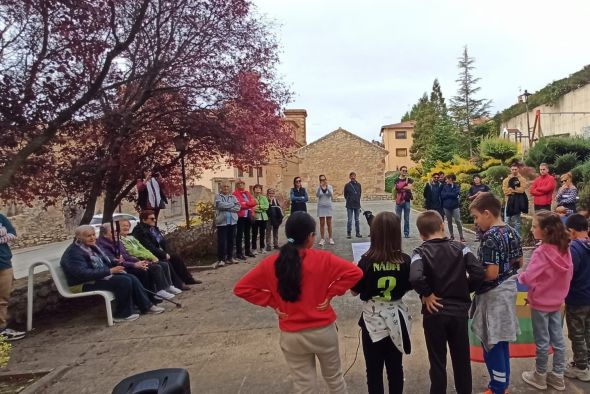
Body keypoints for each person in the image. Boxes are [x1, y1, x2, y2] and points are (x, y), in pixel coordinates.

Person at [234, 212, 362, 393]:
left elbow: (241, 288)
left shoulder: (271, 263)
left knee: (304, 386)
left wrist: (273, 303)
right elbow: (355, 273)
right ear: (310, 237)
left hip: (291, 334)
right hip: (323, 331)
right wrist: (331, 293)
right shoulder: (324, 259)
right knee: (335, 381)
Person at [410, 211, 484, 394]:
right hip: (458, 312)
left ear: (421, 234)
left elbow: (415, 277)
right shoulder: (461, 248)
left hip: (433, 313)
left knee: (437, 361)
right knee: (461, 360)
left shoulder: (419, 252)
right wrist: (466, 289)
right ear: (442, 226)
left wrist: (427, 294)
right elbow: (478, 272)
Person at [351, 212, 413, 394]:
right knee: (395, 368)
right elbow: (410, 285)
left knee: (373, 371)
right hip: (396, 319)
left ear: (374, 233)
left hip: (372, 321)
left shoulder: (366, 261)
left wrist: (354, 270)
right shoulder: (405, 260)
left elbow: (354, 291)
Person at [469, 192, 523, 394]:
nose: (475, 222)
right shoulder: (512, 231)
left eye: (475, 217)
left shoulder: (490, 237)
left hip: (493, 295)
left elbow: (490, 274)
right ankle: (503, 384)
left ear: (487, 213)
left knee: (492, 344)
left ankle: (497, 388)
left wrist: (471, 274)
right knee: (501, 342)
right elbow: (520, 262)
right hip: (509, 290)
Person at [60, 225, 164, 322]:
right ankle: (122, 314)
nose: (92, 238)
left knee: (130, 277)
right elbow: (82, 274)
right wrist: (109, 271)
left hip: (97, 277)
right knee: (123, 281)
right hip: (82, 283)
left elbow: (104, 258)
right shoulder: (74, 253)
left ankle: (146, 306)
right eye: (88, 236)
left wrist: (115, 261)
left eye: (93, 235)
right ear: (79, 237)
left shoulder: (89, 246)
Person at [519, 211, 572, 391]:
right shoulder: (565, 248)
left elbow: (530, 277)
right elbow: (568, 275)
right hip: (557, 302)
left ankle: (539, 375)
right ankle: (558, 376)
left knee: (542, 341)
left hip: (540, 303)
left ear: (546, 230)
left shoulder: (541, 252)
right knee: (557, 340)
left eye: (534, 226)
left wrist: (519, 278)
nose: (532, 229)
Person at [96, 223, 178, 301]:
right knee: (145, 270)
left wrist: (139, 261)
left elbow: (126, 255)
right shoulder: (103, 245)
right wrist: (134, 264)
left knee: (155, 265)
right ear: (104, 234)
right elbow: (114, 261)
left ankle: (158, 292)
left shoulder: (117, 241)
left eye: (116, 231)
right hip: (119, 268)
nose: (116, 233)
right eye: (112, 232)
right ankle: (150, 297)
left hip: (126, 264)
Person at [132, 210, 201, 287]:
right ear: (144, 220)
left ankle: (188, 279)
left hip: (159, 252)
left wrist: (166, 252)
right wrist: (163, 254)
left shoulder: (152, 228)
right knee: (166, 261)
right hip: (150, 255)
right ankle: (178, 284)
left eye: (154, 218)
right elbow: (149, 247)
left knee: (176, 257)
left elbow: (161, 242)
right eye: (151, 219)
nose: (154, 220)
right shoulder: (140, 231)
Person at [118, 218, 182, 292]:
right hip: (137, 259)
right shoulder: (120, 240)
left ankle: (168, 286)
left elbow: (143, 248)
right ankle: (160, 290)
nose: (126, 227)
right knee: (157, 267)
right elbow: (133, 252)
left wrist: (153, 257)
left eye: (127, 226)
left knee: (164, 264)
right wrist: (149, 257)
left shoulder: (131, 237)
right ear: (118, 228)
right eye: (123, 226)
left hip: (145, 257)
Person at [563, 214, 590, 382]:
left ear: (571, 232)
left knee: (577, 334)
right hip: (588, 297)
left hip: (576, 299)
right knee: (588, 331)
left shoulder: (574, 249)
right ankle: (587, 361)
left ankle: (581, 367)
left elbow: (568, 274)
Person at [0, 213, 25, 340]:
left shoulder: (0, 217)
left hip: (3, 263)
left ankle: (2, 331)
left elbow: (12, 234)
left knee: (2, 299)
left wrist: (5, 234)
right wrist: (1, 233)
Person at [214, 182, 240, 268]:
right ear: (221, 188)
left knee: (231, 241)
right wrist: (232, 205)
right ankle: (221, 259)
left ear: (229, 188)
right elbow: (219, 205)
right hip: (222, 223)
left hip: (232, 222)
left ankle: (230, 257)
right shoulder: (218, 196)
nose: (226, 188)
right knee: (222, 242)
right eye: (224, 186)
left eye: (227, 186)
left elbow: (238, 207)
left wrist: (227, 206)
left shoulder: (233, 197)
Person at [502, 163, 528, 236]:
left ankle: (518, 237)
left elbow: (522, 190)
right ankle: (506, 237)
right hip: (508, 202)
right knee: (506, 221)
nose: (514, 171)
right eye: (512, 169)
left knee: (517, 222)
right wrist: (515, 190)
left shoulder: (522, 179)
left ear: (518, 169)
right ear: (510, 170)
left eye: (515, 169)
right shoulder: (506, 180)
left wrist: (512, 190)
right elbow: (505, 191)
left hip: (518, 202)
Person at [233, 180, 257, 260]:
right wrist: (248, 204)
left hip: (248, 216)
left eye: (242, 184)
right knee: (239, 235)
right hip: (241, 216)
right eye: (239, 184)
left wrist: (245, 204)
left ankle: (247, 251)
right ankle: (239, 253)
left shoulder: (247, 193)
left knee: (247, 234)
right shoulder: (235, 194)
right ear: (237, 185)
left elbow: (254, 202)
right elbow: (239, 205)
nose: (241, 185)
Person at [440, 174, 465, 242]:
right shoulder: (444, 186)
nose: (446, 180)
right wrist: (451, 194)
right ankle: (452, 235)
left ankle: (461, 236)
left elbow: (456, 194)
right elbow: (442, 196)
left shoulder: (456, 186)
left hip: (455, 206)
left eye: (447, 179)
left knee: (458, 221)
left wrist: (448, 194)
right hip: (446, 207)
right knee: (449, 221)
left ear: (450, 179)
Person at [393, 166, 413, 238]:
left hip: (407, 201)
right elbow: (395, 188)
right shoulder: (396, 179)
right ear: (400, 171)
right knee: (397, 219)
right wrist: (404, 186)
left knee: (406, 219)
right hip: (398, 201)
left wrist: (399, 187)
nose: (405, 172)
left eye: (406, 170)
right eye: (403, 170)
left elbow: (409, 187)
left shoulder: (409, 179)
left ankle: (406, 233)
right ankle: (397, 233)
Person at [468, 174, 491, 240]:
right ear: (473, 180)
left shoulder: (484, 186)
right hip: (475, 205)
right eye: (475, 178)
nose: (476, 179)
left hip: (484, 205)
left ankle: (486, 234)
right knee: (477, 220)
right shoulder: (472, 188)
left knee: (485, 219)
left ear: (480, 179)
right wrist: (475, 195)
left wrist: (482, 193)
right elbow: (469, 197)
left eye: (477, 178)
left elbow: (490, 193)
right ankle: (478, 235)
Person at [316, 175, 334, 246]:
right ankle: (322, 239)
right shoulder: (318, 187)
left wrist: (326, 187)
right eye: (321, 180)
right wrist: (320, 187)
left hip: (328, 206)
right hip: (321, 207)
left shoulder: (330, 187)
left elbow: (330, 194)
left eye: (324, 179)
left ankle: (330, 238)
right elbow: (317, 195)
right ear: (319, 180)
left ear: (326, 180)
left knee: (329, 223)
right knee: (322, 223)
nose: (322, 181)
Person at [344, 171, 362, 239]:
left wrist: (357, 200)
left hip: (357, 205)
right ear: (350, 177)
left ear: (355, 177)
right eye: (351, 176)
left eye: (354, 176)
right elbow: (345, 195)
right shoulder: (347, 185)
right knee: (350, 220)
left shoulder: (359, 185)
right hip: (349, 205)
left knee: (357, 220)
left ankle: (358, 233)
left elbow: (359, 194)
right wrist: (349, 199)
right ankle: (349, 233)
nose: (353, 177)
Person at [252, 184, 269, 254]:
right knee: (254, 234)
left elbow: (267, 206)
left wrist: (258, 206)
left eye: (259, 188)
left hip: (263, 218)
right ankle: (254, 249)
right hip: (255, 218)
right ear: (254, 190)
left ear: (261, 190)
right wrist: (261, 208)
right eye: (256, 188)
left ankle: (262, 248)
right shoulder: (251, 198)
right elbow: (252, 207)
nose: (258, 189)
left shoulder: (264, 198)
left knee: (262, 233)